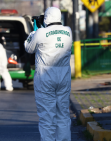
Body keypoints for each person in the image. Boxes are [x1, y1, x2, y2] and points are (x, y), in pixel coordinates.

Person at [24, 7, 73, 141]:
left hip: (45, 76)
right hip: (64, 76)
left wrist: (34, 32)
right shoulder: (68, 31)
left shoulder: (40, 33)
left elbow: (28, 48)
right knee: (63, 114)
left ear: (46, 18)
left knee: (47, 116)